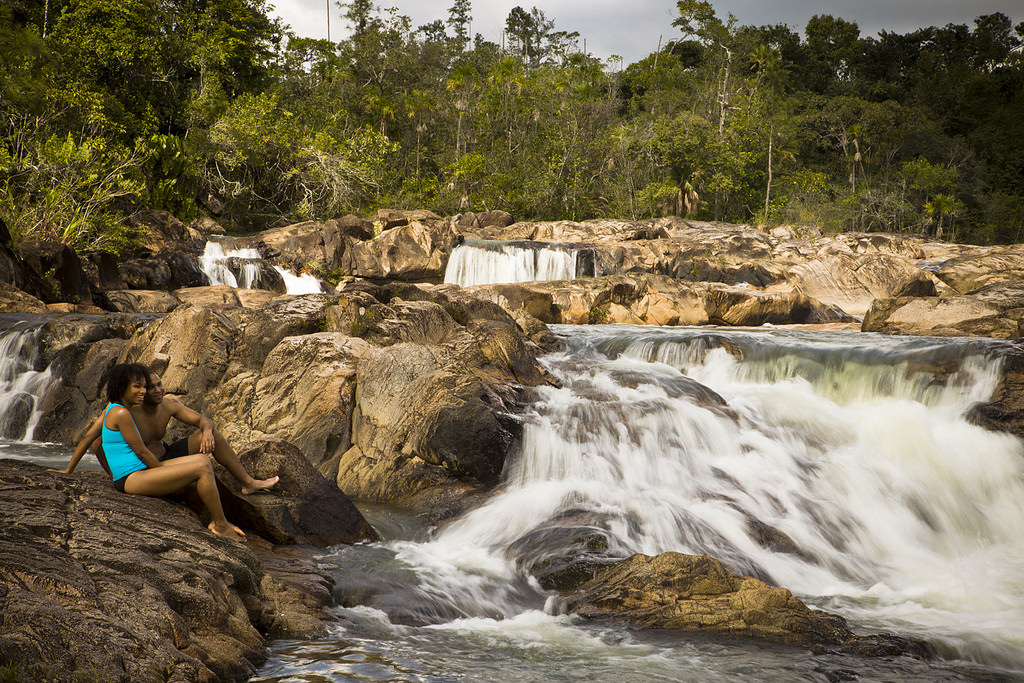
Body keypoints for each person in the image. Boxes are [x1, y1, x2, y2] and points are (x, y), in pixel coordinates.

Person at [64, 363, 246, 542]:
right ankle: (222, 526)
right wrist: (162, 472)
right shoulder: (120, 413)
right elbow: (140, 451)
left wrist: (68, 471)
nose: (143, 391)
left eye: (145, 387)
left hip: (140, 470)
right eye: (138, 387)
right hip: (131, 477)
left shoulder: (118, 409)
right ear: (122, 387)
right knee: (200, 467)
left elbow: (88, 438)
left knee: (202, 460)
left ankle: (219, 520)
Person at [69, 368, 278, 495]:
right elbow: (93, 441)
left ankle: (248, 483)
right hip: (145, 468)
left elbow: (203, 420)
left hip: (168, 454)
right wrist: (110, 474)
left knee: (213, 434)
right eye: (151, 387)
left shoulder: (169, 404)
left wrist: (206, 432)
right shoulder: (125, 410)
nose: (158, 390)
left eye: (160, 384)